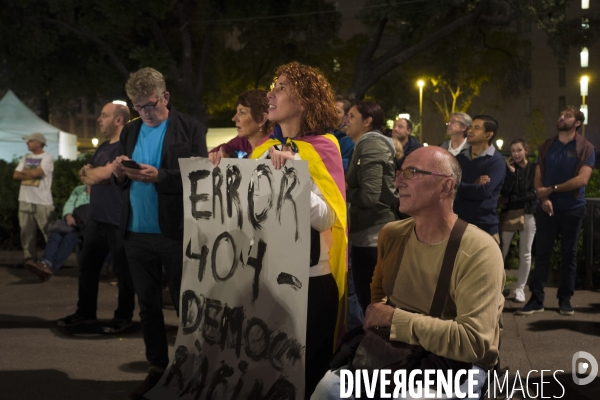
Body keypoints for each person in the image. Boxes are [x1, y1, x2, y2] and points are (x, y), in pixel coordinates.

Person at [312, 146, 505, 400]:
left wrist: (394, 319)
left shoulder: (479, 249)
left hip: (457, 365)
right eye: (399, 171)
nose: (397, 181)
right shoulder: (391, 235)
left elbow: (472, 342)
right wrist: (383, 314)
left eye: (411, 172)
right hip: (394, 352)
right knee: (327, 390)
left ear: (446, 187)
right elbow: (379, 298)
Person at [250, 61, 347, 399]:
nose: (270, 93)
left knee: (307, 377)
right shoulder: (262, 151)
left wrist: (293, 179)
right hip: (267, 281)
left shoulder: (324, 148)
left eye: (280, 87)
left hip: (311, 283)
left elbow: (327, 218)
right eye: (272, 85)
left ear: (304, 100)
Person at [111, 67, 208, 399]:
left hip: (175, 231)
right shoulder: (131, 131)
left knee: (186, 305)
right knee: (148, 305)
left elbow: (200, 178)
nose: (144, 112)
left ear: (165, 97)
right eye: (137, 106)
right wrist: (119, 172)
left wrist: (161, 177)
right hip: (135, 230)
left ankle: (191, 369)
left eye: (149, 104)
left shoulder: (190, 127)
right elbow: (120, 180)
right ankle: (157, 368)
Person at [56, 101, 136, 336]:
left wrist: (91, 173)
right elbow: (88, 174)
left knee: (123, 273)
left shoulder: (125, 145)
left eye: (104, 115)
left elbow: (99, 174)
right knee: (87, 268)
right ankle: (85, 313)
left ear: (119, 120)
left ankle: (123, 317)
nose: (99, 120)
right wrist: (91, 174)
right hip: (97, 219)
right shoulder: (102, 146)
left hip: (119, 219)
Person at [517, 106, 595, 316]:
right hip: (546, 208)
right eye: (560, 114)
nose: (561, 117)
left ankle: (565, 299)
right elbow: (538, 175)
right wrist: (543, 198)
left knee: (569, 255)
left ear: (577, 123)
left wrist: (551, 190)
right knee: (541, 254)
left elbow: (582, 179)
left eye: (567, 116)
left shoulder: (585, 147)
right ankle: (536, 299)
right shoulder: (547, 146)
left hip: (572, 209)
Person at [344, 101, 398, 312]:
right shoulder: (364, 145)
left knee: (373, 304)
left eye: (351, 116)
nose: (345, 120)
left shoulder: (372, 145)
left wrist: (342, 190)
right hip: (369, 232)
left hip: (374, 235)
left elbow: (370, 195)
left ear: (367, 121)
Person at [453, 115, 506, 243]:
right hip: (457, 225)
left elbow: (483, 192)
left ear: (488, 135)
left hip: (483, 227)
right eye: (470, 127)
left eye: (477, 128)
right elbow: (448, 185)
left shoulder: (496, 162)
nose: (470, 131)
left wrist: (458, 185)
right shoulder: (460, 158)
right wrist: (473, 184)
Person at [24, 184, 90, 281]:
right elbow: (70, 203)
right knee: (55, 234)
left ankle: (49, 268)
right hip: (73, 222)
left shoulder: (102, 191)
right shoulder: (79, 189)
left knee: (68, 239)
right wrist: (68, 215)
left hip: (85, 227)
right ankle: (45, 263)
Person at [499, 139, 537, 303]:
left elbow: (533, 192)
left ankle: (520, 288)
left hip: (528, 213)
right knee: (501, 252)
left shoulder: (533, 168)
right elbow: (505, 191)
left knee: (525, 253)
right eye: (513, 150)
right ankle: (498, 286)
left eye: (519, 150)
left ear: (526, 150)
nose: (515, 153)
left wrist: (512, 199)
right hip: (510, 213)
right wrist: (512, 172)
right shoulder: (509, 170)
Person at [13, 132, 54, 264]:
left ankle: (50, 259)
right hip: (25, 199)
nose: (27, 143)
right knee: (26, 230)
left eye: (30, 141)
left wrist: (25, 172)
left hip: (42, 200)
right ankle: (29, 258)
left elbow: (38, 172)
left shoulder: (47, 157)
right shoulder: (26, 157)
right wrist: (31, 174)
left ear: (38, 142)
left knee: (48, 231)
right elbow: (15, 175)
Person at [208, 89, 271, 166]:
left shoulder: (274, 154)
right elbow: (222, 149)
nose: (234, 118)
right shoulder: (243, 142)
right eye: (237, 112)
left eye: (242, 112)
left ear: (261, 118)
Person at [333, 95, 355, 173]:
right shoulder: (318, 131)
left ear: (346, 117)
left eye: (337, 111)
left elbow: (342, 166)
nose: (332, 114)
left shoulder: (349, 140)